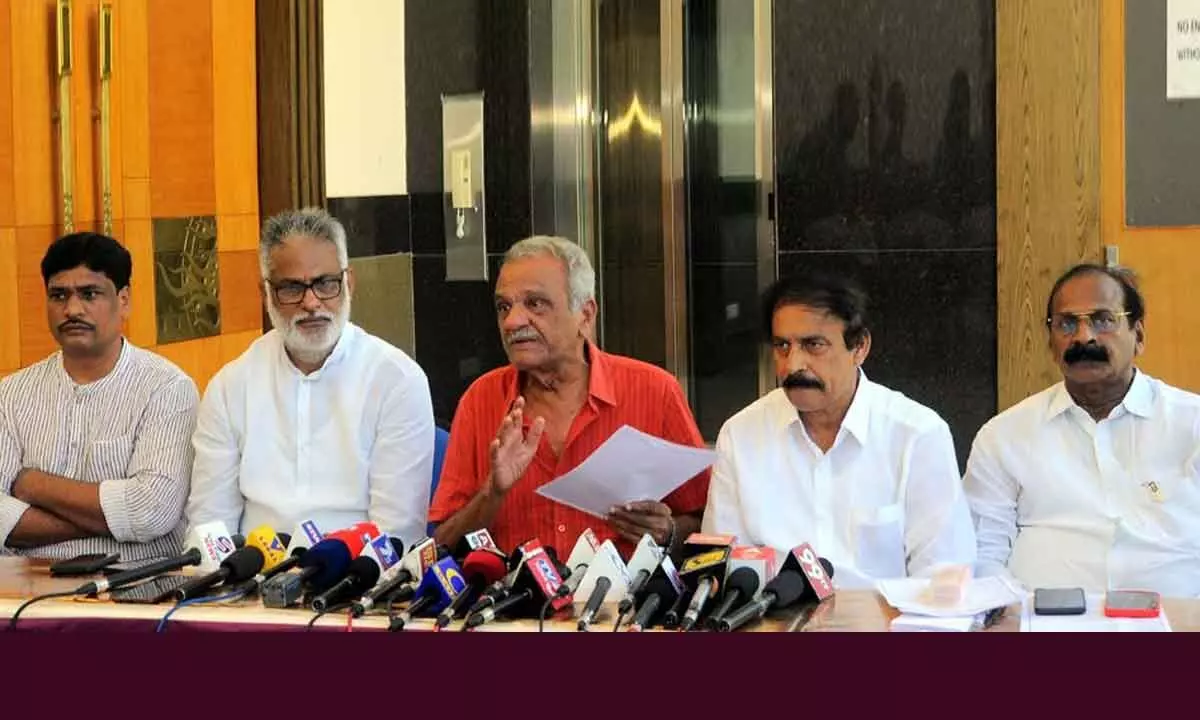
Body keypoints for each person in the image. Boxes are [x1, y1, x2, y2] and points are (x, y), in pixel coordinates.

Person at [429, 236, 710, 558]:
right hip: (509, 605)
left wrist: (667, 532)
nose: (512, 321)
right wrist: (492, 493)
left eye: (535, 304)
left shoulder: (654, 391)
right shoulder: (481, 401)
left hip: (626, 603)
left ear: (585, 315)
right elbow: (442, 545)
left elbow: (708, 522)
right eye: (503, 306)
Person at [702, 273, 976, 587]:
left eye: (813, 345)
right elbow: (721, 565)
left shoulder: (916, 435)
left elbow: (946, 576)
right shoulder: (741, 434)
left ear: (859, 347)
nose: (793, 365)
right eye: (782, 346)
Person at [186, 208, 434, 544]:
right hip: (251, 584)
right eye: (291, 288)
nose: (311, 302)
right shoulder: (231, 387)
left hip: (358, 583)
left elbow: (398, 533)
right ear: (266, 294)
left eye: (325, 284)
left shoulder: (397, 381)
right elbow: (209, 527)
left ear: (349, 283)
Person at [965, 264, 1200, 596]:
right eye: (1067, 323)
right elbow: (982, 552)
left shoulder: (1192, 423)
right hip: (1043, 628)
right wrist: (1006, 614)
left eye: (1104, 320)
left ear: (1139, 336)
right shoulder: (1004, 436)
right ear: (1051, 343)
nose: (1083, 337)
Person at [0, 232, 198, 560]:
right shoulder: (10, 395)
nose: (72, 309)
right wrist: (115, 517)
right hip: (25, 591)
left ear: (124, 300)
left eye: (90, 294)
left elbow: (152, 511)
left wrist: (34, 485)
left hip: (135, 588)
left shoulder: (166, 389)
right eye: (58, 295)